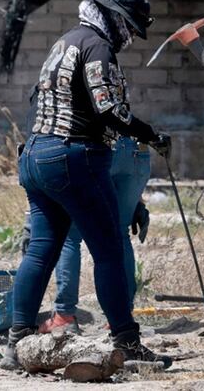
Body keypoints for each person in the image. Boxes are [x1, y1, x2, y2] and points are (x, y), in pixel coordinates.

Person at [2, 0, 172, 370]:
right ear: (112, 18)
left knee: (41, 249)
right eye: (128, 27)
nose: (128, 38)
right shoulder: (98, 47)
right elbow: (107, 109)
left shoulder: (63, 43)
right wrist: (150, 134)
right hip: (73, 156)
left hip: (35, 155)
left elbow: (35, 101)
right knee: (110, 248)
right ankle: (127, 343)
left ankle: (16, 343)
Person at [37, 136, 153, 334]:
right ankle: (120, 316)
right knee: (120, 233)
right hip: (135, 149)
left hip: (98, 149)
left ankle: (64, 315)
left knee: (70, 235)